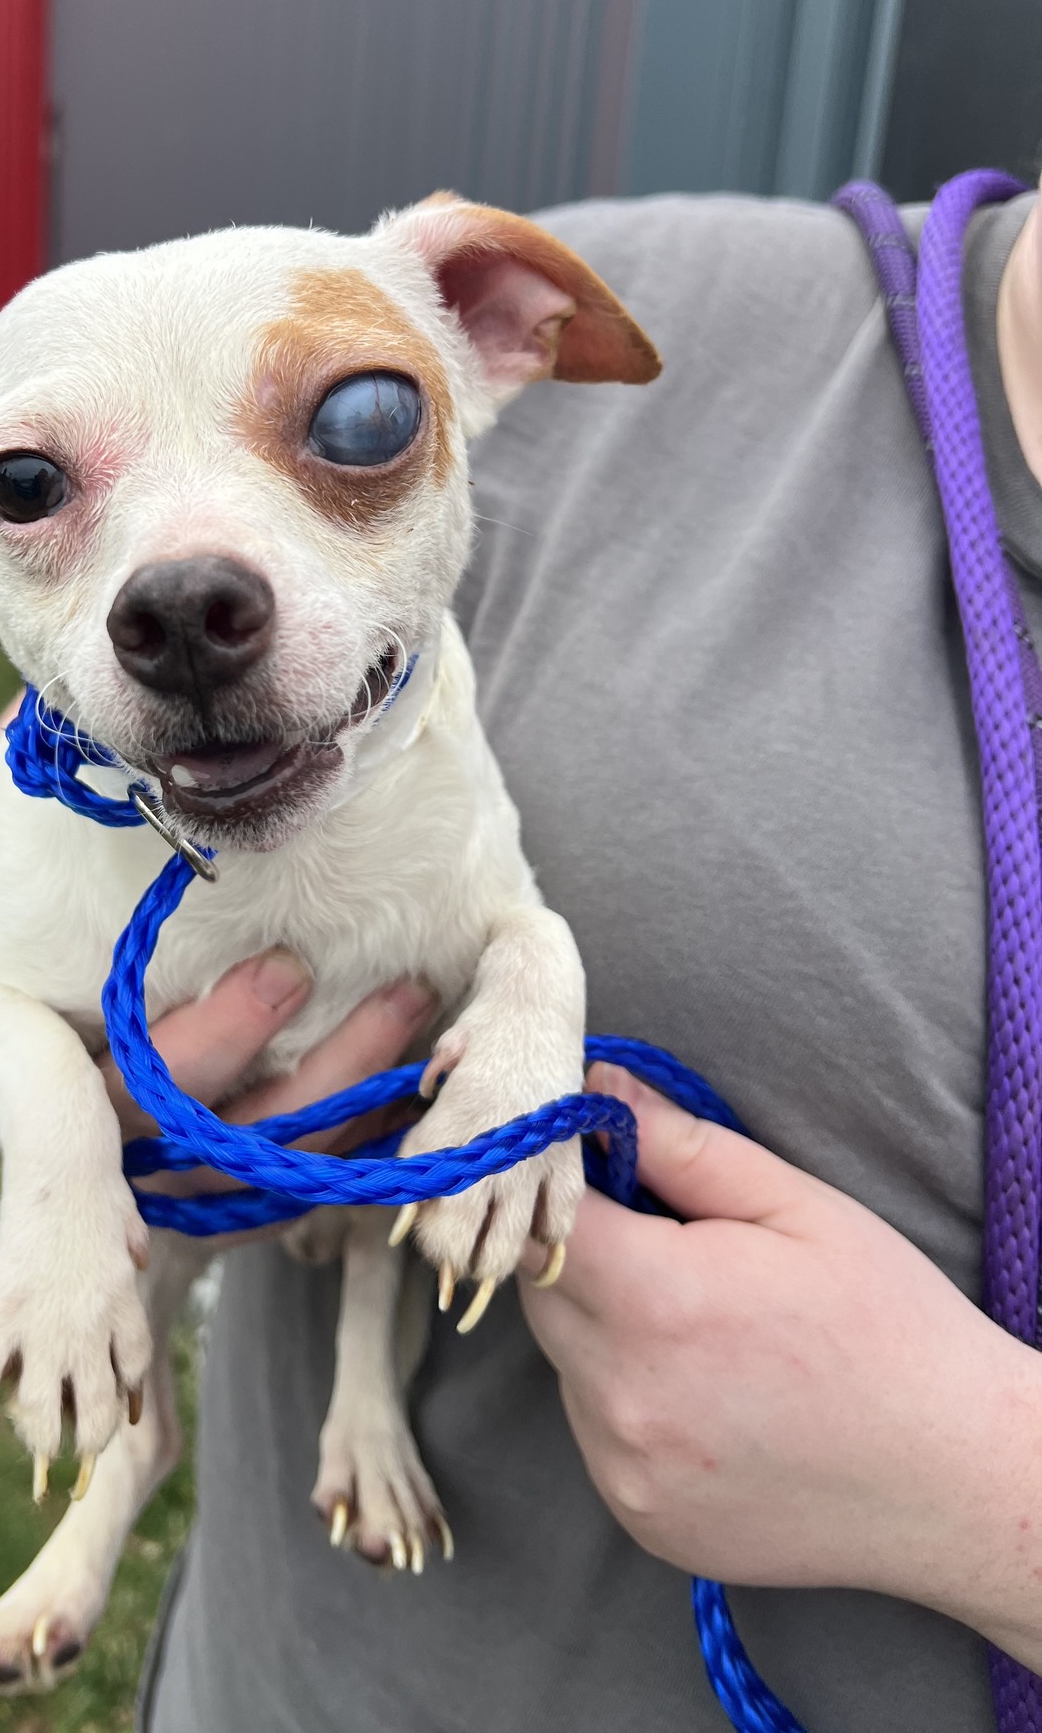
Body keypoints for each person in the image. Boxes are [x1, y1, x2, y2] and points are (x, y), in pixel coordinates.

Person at [114, 173, 1042, 1731]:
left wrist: (980, 1489)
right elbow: (54, 748)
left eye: (351, 434)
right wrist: (94, 1043)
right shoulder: (574, 307)